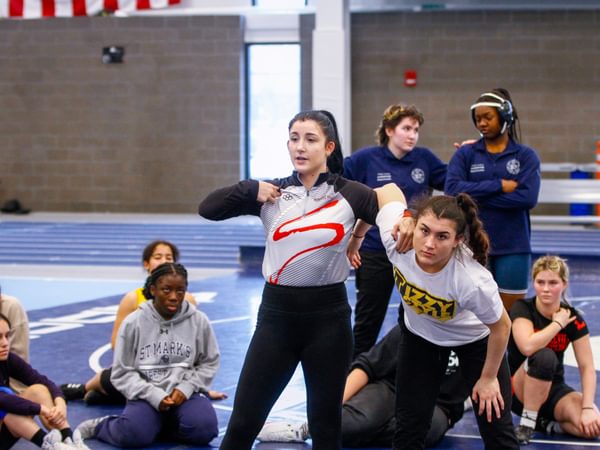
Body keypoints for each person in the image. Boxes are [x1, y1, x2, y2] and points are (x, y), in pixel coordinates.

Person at [198, 110, 381, 450]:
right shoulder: (273, 194)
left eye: (310, 140)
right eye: (294, 139)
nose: (301, 147)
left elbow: (384, 204)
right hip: (276, 322)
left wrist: (358, 236)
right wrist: (249, 188)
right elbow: (207, 208)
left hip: (329, 323)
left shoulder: (351, 194)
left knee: (326, 429)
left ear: (329, 147)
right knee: (242, 424)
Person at [350, 183, 519, 449]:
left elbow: (502, 327)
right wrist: (358, 237)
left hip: (475, 343)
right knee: (409, 429)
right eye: (424, 231)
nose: (429, 244)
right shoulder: (399, 239)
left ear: (457, 241)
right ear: (414, 226)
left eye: (442, 237)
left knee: (497, 429)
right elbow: (385, 191)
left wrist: (487, 379)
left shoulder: (471, 280)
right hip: (420, 338)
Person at [60, 240, 224, 404]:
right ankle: (85, 389)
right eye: (158, 257)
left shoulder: (186, 301)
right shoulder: (132, 299)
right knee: (113, 377)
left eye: (169, 257)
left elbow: (198, 351)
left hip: (176, 372)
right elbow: (116, 344)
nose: (164, 261)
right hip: (143, 368)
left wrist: (199, 387)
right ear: (147, 264)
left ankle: (106, 395)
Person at [75, 263, 220, 448]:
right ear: (153, 290)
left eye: (180, 291)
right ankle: (102, 426)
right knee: (133, 436)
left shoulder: (199, 321)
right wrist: (153, 395)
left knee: (204, 430)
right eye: (166, 290)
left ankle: (155, 427)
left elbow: (209, 362)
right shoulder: (133, 323)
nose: (174, 297)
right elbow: (121, 372)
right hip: (145, 394)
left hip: (185, 394)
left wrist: (186, 387)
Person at [257, 324, 468, 448]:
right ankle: (302, 430)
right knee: (351, 425)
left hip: (437, 405)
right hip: (390, 388)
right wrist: (328, 414)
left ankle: (366, 428)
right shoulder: (417, 324)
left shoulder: (475, 335)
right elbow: (366, 367)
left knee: (426, 433)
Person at [344, 103, 447, 356]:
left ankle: (408, 370)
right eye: (406, 128)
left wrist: (470, 153)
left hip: (415, 253)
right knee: (368, 319)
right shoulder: (364, 160)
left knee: (418, 318)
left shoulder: (425, 159)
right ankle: (355, 372)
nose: (412, 134)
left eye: (416, 129)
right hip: (374, 251)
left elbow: (454, 180)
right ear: (389, 130)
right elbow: (337, 183)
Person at [444, 88, 541, 311]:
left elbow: (527, 198)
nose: (482, 124)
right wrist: (499, 186)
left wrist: (473, 196)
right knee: (471, 312)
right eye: (478, 119)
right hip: (472, 243)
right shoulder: (466, 154)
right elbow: (452, 190)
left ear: (505, 117)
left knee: (512, 313)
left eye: (488, 117)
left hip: (513, 244)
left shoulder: (525, 156)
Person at [508, 255, 600, 445]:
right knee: (544, 356)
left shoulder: (573, 318)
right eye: (540, 282)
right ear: (534, 283)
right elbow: (527, 346)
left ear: (564, 284)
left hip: (553, 389)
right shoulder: (523, 308)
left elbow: (587, 367)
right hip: (519, 389)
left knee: (592, 427)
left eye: (553, 283)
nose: (546, 289)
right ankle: (527, 424)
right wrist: (557, 323)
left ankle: (547, 425)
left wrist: (587, 409)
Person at [0, 313, 88, 450]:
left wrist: (60, 402)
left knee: (38, 390)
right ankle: (50, 446)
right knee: (6, 408)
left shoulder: (8, 359)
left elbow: (42, 380)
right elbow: (3, 399)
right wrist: (41, 409)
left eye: (7, 336)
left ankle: (68, 439)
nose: (5, 343)